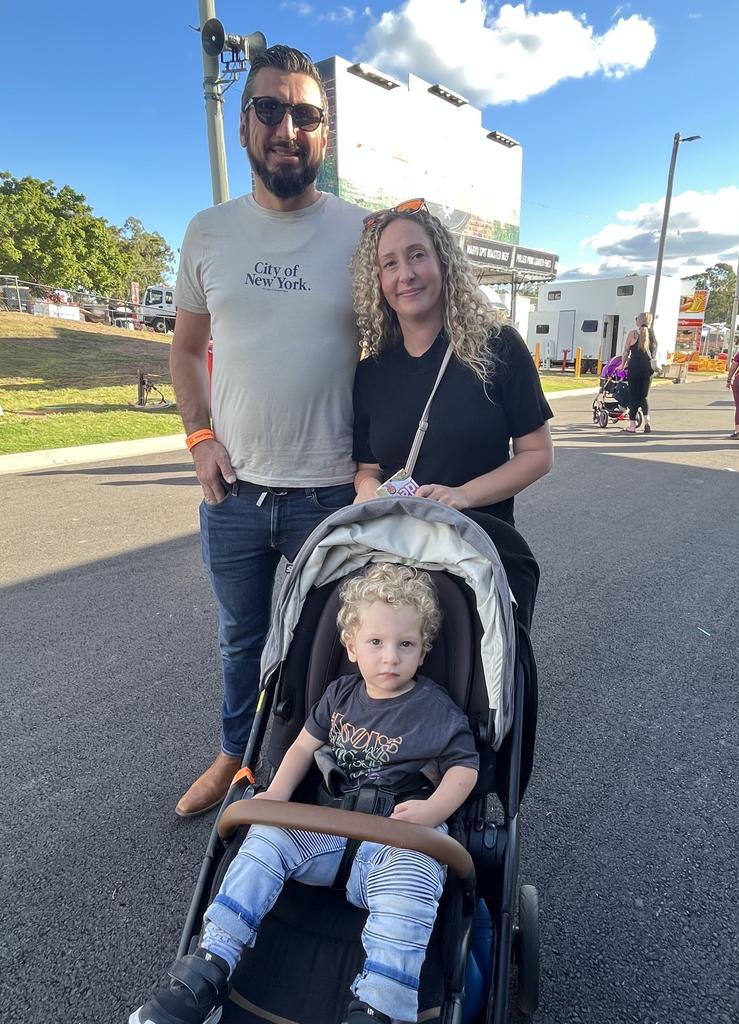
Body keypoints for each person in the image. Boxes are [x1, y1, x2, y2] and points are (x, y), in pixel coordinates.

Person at [130, 563, 479, 1024]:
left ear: (424, 650)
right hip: (323, 827)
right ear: (351, 647)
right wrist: (275, 794)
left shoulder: (435, 709)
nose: (390, 657)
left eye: (406, 645)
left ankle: (382, 1005)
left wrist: (432, 810)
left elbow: (465, 769)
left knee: (416, 878)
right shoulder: (338, 695)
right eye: (376, 643)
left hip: (395, 839)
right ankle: (209, 968)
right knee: (264, 841)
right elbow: (301, 747)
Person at [170, 46, 366, 817]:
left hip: (332, 490)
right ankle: (233, 757)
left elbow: (396, 349)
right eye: (272, 111)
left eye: (306, 115)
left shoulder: (361, 233)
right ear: (245, 122)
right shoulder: (208, 232)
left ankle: (319, 775)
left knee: (337, 648)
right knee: (239, 644)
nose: (289, 127)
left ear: (324, 134)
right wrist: (199, 438)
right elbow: (185, 351)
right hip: (237, 491)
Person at [349, 199, 554, 631]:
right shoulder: (371, 373)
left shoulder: (498, 348)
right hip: (396, 559)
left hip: (480, 551)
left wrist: (463, 496)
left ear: (443, 263)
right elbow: (367, 467)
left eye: (417, 255)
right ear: (378, 281)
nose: (405, 274)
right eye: (389, 264)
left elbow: (537, 453)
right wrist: (367, 490)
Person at [619, 311, 657, 433]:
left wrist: (622, 365)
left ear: (638, 321)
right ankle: (647, 422)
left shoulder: (633, 334)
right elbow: (654, 350)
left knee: (634, 397)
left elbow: (626, 352)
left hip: (634, 368)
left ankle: (632, 426)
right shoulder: (652, 334)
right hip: (648, 369)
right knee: (644, 396)